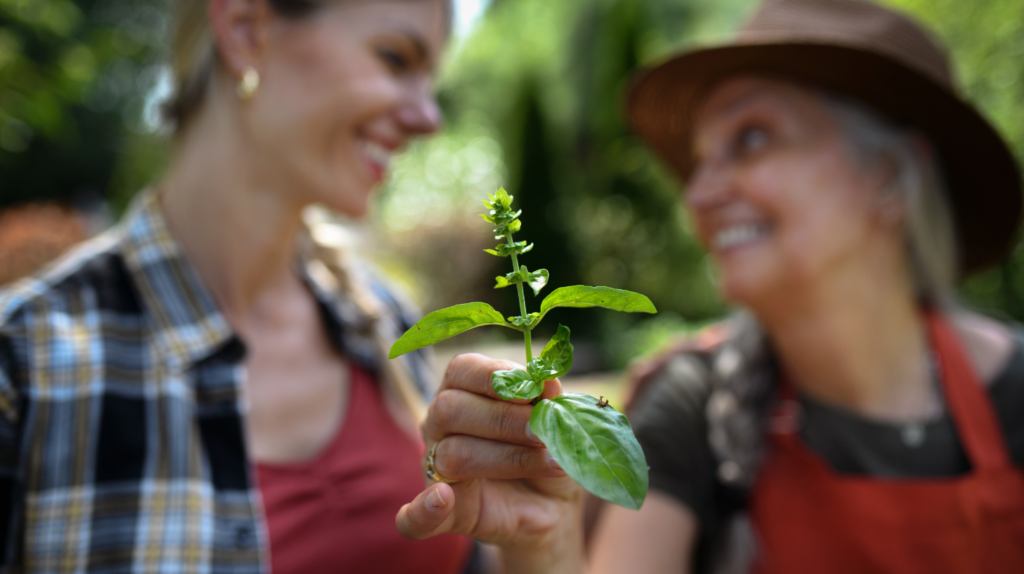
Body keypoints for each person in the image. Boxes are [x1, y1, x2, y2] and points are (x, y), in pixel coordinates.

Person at [395, 0, 1024, 572]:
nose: (698, 194)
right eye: (700, 161)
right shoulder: (694, 401)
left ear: (885, 176)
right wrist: (542, 544)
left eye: (751, 138)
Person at [0, 0, 482, 571]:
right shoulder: (27, 366)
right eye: (396, 58)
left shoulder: (387, 325)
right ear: (246, 31)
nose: (429, 118)